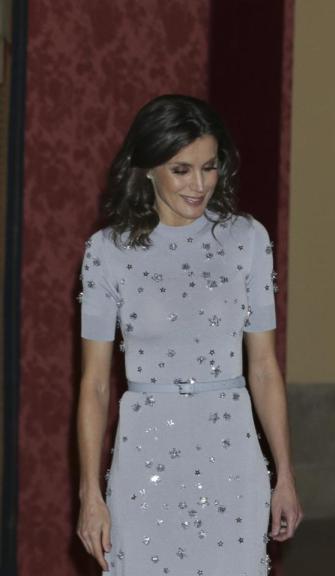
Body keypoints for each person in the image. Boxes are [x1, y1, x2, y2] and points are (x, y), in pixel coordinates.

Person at [75, 95, 302, 575]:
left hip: (232, 459)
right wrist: (89, 493)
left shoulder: (248, 241)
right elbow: (95, 385)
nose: (199, 185)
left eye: (209, 167)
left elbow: (262, 366)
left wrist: (284, 476)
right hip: (143, 463)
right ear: (147, 168)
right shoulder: (106, 253)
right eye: (181, 170)